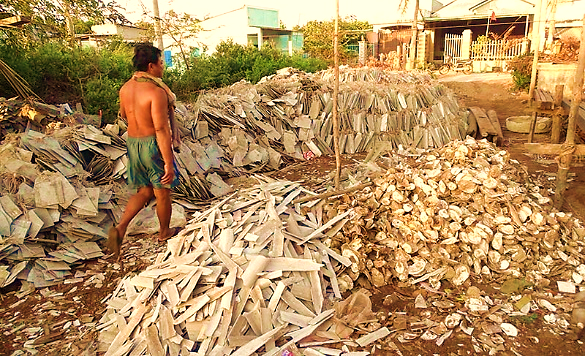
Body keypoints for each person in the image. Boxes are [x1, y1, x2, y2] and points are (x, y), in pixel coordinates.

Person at [106, 43, 181, 260]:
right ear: (151, 66)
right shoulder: (156, 92)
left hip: (133, 143)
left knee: (145, 191)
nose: (162, 69)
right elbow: (160, 128)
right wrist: (168, 161)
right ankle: (164, 232)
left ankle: (120, 228)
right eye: (160, 64)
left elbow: (123, 114)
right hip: (152, 144)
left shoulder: (125, 88)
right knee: (163, 191)